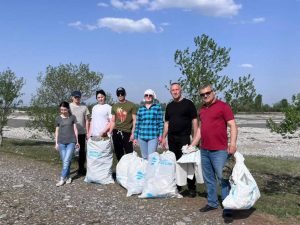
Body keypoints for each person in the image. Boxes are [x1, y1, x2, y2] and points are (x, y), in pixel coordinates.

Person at [190, 84, 238, 223]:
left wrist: (233, 144)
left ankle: (228, 207)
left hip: (219, 150)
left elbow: (233, 125)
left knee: (223, 178)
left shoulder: (223, 106)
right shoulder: (202, 110)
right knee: (209, 178)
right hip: (204, 149)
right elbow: (200, 129)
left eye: (207, 93)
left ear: (213, 92)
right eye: (202, 94)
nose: (205, 95)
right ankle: (212, 203)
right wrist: (193, 144)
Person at [161, 83, 198, 197]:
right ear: (170, 92)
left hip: (184, 137)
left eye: (177, 89)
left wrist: (195, 140)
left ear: (181, 90)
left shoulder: (188, 103)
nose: (175, 91)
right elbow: (167, 123)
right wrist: (163, 137)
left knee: (187, 163)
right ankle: (178, 186)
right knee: (175, 162)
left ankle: (191, 187)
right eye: (173, 90)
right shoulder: (169, 106)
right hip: (172, 138)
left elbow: (195, 121)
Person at [133, 89, 164, 159]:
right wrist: (135, 137)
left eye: (150, 95)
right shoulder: (141, 109)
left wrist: (161, 135)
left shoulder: (157, 108)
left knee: (152, 157)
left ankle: (152, 170)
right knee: (144, 157)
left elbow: (160, 123)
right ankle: (145, 170)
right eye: (146, 95)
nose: (148, 96)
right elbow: (137, 124)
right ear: (144, 97)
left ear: (153, 97)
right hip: (142, 137)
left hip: (153, 136)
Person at [55, 101, 79, 187]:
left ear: (68, 109)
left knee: (66, 160)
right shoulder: (58, 118)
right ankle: (68, 176)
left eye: (64, 109)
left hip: (71, 142)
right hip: (61, 143)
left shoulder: (72, 117)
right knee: (66, 161)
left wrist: (77, 141)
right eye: (61, 110)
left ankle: (62, 178)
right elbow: (57, 131)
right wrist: (56, 143)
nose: (63, 111)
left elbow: (75, 130)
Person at [109, 87, 137, 161]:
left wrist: (133, 133)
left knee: (129, 154)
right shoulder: (114, 106)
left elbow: (135, 120)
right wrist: (109, 132)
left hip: (127, 132)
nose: (120, 95)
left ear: (125, 94)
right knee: (118, 153)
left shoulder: (132, 105)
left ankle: (129, 170)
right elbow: (113, 121)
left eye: (122, 93)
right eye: (118, 94)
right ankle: (121, 170)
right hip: (116, 132)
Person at [70, 90, 90, 176]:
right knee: (70, 151)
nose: (77, 98)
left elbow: (87, 121)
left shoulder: (84, 107)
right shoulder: (68, 106)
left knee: (82, 152)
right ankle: (67, 170)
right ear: (72, 97)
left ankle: (81, 169)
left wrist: (87, 132)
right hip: (70, 133)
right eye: (75, 97)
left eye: (78, 97)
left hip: (81, 133)